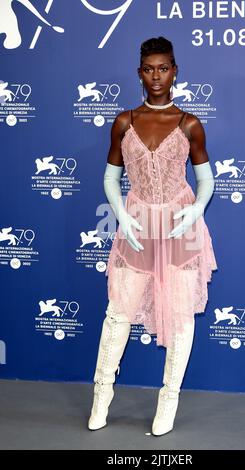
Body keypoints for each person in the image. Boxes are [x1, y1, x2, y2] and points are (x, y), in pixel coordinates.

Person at [88, 36, 218, 436]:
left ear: (175, 70)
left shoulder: (189, 123)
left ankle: (168, 402)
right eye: (149, 68)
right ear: (139, 73)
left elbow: (205, 179)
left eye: (163, 68)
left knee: (180, 316)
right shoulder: (124, 122)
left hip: (181, 227)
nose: (156, 75)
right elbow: (111, 177)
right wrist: (122, 216)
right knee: (118, 315)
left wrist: (195, 210)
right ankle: (101, 397)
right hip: (138, 225)